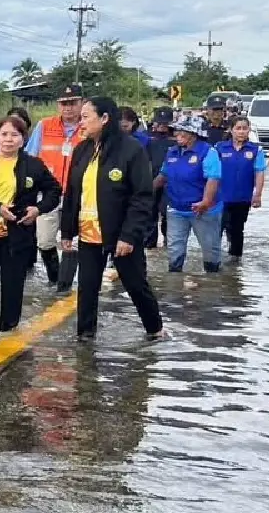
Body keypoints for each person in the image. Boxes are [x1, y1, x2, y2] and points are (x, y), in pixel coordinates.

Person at [60, 96, 163, 341]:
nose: (80, 122)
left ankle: (156, 331)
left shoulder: (131, 150)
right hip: (88, 233)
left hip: (120, 235)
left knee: (135, 285)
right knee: (87, 287)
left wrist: (129, 236)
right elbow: (72, 193)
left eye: (86, 117)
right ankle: (85, 339)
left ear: (104, 119)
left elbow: (142, 197)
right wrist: (67, 231)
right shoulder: (82, 149)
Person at [0, 116, 61, 331]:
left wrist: (38, 209)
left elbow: (54, 191)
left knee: (12, 286)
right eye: (4, 134)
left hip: (18, 236)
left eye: (14, 135)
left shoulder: (34, 165)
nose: (8, 140)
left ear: (23, 139)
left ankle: (7, 330)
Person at [26, 83, 84, 290]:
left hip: (79, 196)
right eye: (63, 103)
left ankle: (64, 286)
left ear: (81, 103)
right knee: (44, 240)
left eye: (72, 103)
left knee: (73, 240)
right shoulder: (45, 125)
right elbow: (30, 158)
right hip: (48, 193)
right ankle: (54, 277)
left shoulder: (89, 128)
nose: (68, 108)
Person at [154, 116, 223, 273]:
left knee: (210, 249)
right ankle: (175, 282)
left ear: (193, 134)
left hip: (203, 210)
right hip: (176, 209)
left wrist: (205, 201)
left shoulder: (207, 152)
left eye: (181, 132)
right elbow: (163, 176)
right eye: (176, 132)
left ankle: (213, 282)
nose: (177, 135)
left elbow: (213, 178)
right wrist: (144, 190)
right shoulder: (172, 152)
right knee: (174, 249)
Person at [217, 116, 266, 260]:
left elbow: (259, 172)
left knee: (237, 230)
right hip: (221, 198)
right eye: (238, 128)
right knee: (217, 229)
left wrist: (257, 195)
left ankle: (235, 265)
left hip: (243, 198)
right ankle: (214, 261)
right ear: (231, 130)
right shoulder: (219, 148)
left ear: (249, 130)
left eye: (245, 128)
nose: (241, 132)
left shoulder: (256, 150)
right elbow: (212, 174)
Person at [144, 107, 175, 248]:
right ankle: (150, 244)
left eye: (165, 123)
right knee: (150, 213)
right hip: (151, 179)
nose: (163, 126)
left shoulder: (176, 138)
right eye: (160, 123)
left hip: (170, 181)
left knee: (167, 213)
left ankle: (169, 243)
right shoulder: (147, 137)